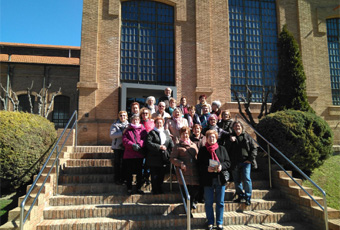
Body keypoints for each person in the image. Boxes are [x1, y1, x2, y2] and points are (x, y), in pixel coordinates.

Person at [197, 130, 231, 230]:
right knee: (209, 202)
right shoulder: (203, 150)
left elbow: (228, 162)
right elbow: (198, 165)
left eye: (213, 137)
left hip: (220, 179)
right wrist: (206, 168)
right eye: (209, 137)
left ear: (216, 138)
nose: (211, 139)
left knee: (220, 202)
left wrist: (221, 166)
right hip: (208, 180)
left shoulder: (222, 149)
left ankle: (219, 223)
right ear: (206, 139)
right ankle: (210, 222)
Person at [170, 126, 200, 213]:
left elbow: (197, 157)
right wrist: (180, 163)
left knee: (195, 189)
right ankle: (188, 211)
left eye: (186, 133)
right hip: (184, 172)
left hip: (194, 171)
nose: (185, 135)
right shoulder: (177, 146)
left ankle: (192, 203)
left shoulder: (193, 145)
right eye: (183, 133)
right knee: (186, 191)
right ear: (180, 135)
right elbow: (172, 158)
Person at [229, 120, 257, 206]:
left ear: (241, 127)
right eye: (235, 126)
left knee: (247, 179)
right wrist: (230, 141)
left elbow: (254, 148)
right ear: (233, 128)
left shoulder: (247, 137)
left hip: (246, 162)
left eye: (239, 126)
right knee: (237, 181)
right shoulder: (231, 138)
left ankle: (248, 197)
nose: (237, 127)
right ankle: (240, 195)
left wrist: (250, 159)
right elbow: (227, 150)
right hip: (235, 163)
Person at [146, 117, 174, 194]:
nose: (159, 124)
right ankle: (155, 189)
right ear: (155, 123)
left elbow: (170, 143)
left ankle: (160, 188)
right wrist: (159, 147)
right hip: (154, 158)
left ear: (163, 123)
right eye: (157, 123)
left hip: (163, 158)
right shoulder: (151, 133)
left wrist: (173, 151)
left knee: (161, 175)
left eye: (160, 123)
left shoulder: (166, 132)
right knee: (154, 175)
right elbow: (148, 143)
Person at [122, 114, 148, 195]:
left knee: (139, 173)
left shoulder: (143, 129)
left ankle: (138, 188)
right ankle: (129, 188)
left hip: (139, 154)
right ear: (131, 120)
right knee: (128, 172)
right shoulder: (127, 130)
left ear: (139, 120)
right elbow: (124, 140)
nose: (135, 121)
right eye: (134, 120)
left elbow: (145, 139)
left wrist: (139, 144)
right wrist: (132, 145)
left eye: (137, 119)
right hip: (129, 154)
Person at [110, 110, 129, 185]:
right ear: (119, 117)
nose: (122, 117)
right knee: (117, 163)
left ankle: (124, 179)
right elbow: (112, 135)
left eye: (124, 115)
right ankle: (117, 179)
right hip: (117, 147)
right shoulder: (114, 125)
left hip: (126, 147)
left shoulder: (129, 125)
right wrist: (122, 133)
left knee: (125, 164)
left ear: (127, 117)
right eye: (121, 115)